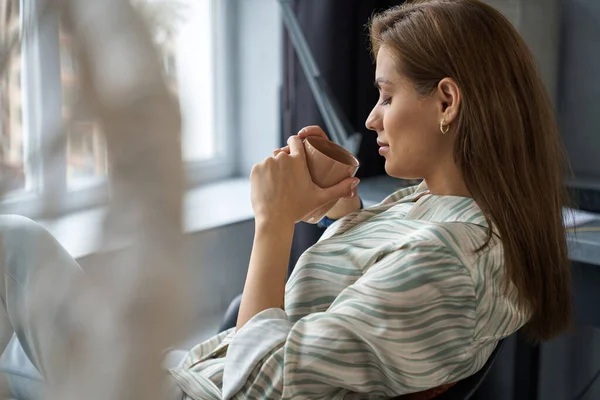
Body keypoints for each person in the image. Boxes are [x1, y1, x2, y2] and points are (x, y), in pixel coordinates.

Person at [0, 0, 573, 399]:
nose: (372, 117)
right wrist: (343, 214)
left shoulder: (446, 263)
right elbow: (370, 309)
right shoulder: (453, 212)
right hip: (191, 373)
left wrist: (272, 226)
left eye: (387, 95)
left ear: (447, 101)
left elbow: (253, 391)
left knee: (14, 243)